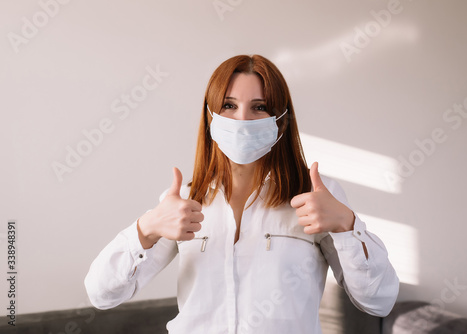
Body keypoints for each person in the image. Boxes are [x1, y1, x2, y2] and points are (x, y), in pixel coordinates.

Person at [84, 54, 399, 333]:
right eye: (229, 106)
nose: (242, 120)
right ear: (211, 116)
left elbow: (379, 301)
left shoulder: (316, 197)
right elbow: (101, 294)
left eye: (259, 107)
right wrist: (147, 227)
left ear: (281, 119)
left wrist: (347, 224)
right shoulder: (185, 201)